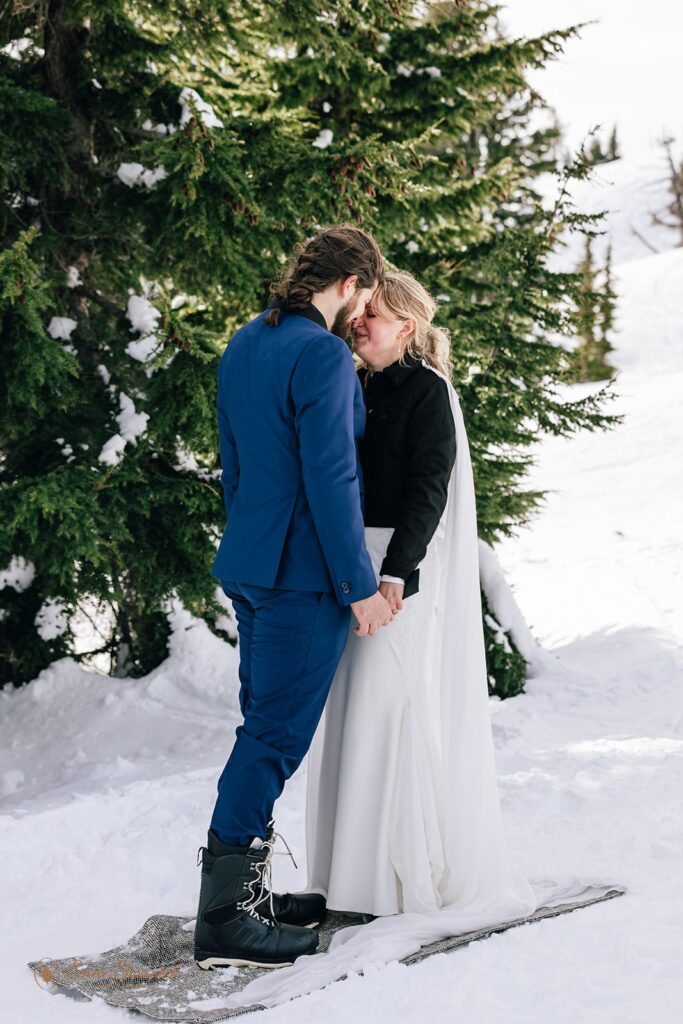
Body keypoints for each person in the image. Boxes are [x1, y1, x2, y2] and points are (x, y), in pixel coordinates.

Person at [305, 270, 535, 918]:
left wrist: (393, 576)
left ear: (406, 326)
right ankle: (341, 880)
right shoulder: (355, 384)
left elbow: (427, 491)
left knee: (386, 714)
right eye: (358, 312)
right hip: (347, 570)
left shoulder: (427, 392)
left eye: (371, 314)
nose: (358, 322)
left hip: (392, 577)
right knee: (352, 716)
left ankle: (388, 884)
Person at [194, 227, 393, 970]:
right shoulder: (320, 353)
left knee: (262, 725)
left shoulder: (247, 342)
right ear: (351, 285)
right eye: (366, 296)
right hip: (302, 576)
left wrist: (248, 547)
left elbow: (235, 464)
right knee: (273, 737)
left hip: (251, 563)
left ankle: (243, 896)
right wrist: (359, 588)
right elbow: (332, 478)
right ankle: (222, 919)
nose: (363, 310)